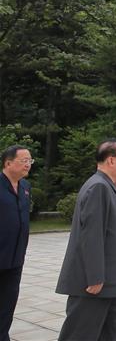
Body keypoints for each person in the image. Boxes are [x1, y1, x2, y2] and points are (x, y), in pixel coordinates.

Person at [56, 140, 116, 341]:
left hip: (111, 283)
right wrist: (95, 277)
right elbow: (91, 235)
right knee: (80, 334)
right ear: (111, 160)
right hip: (95, 285)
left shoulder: (107, 186)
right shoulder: (98, 187)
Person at [1, 146, 32, 341]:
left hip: (15, 258)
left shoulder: (25, 187)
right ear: (8, 163)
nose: (28, 164)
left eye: (30, 161)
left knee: (8, 303)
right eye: (24, 160)